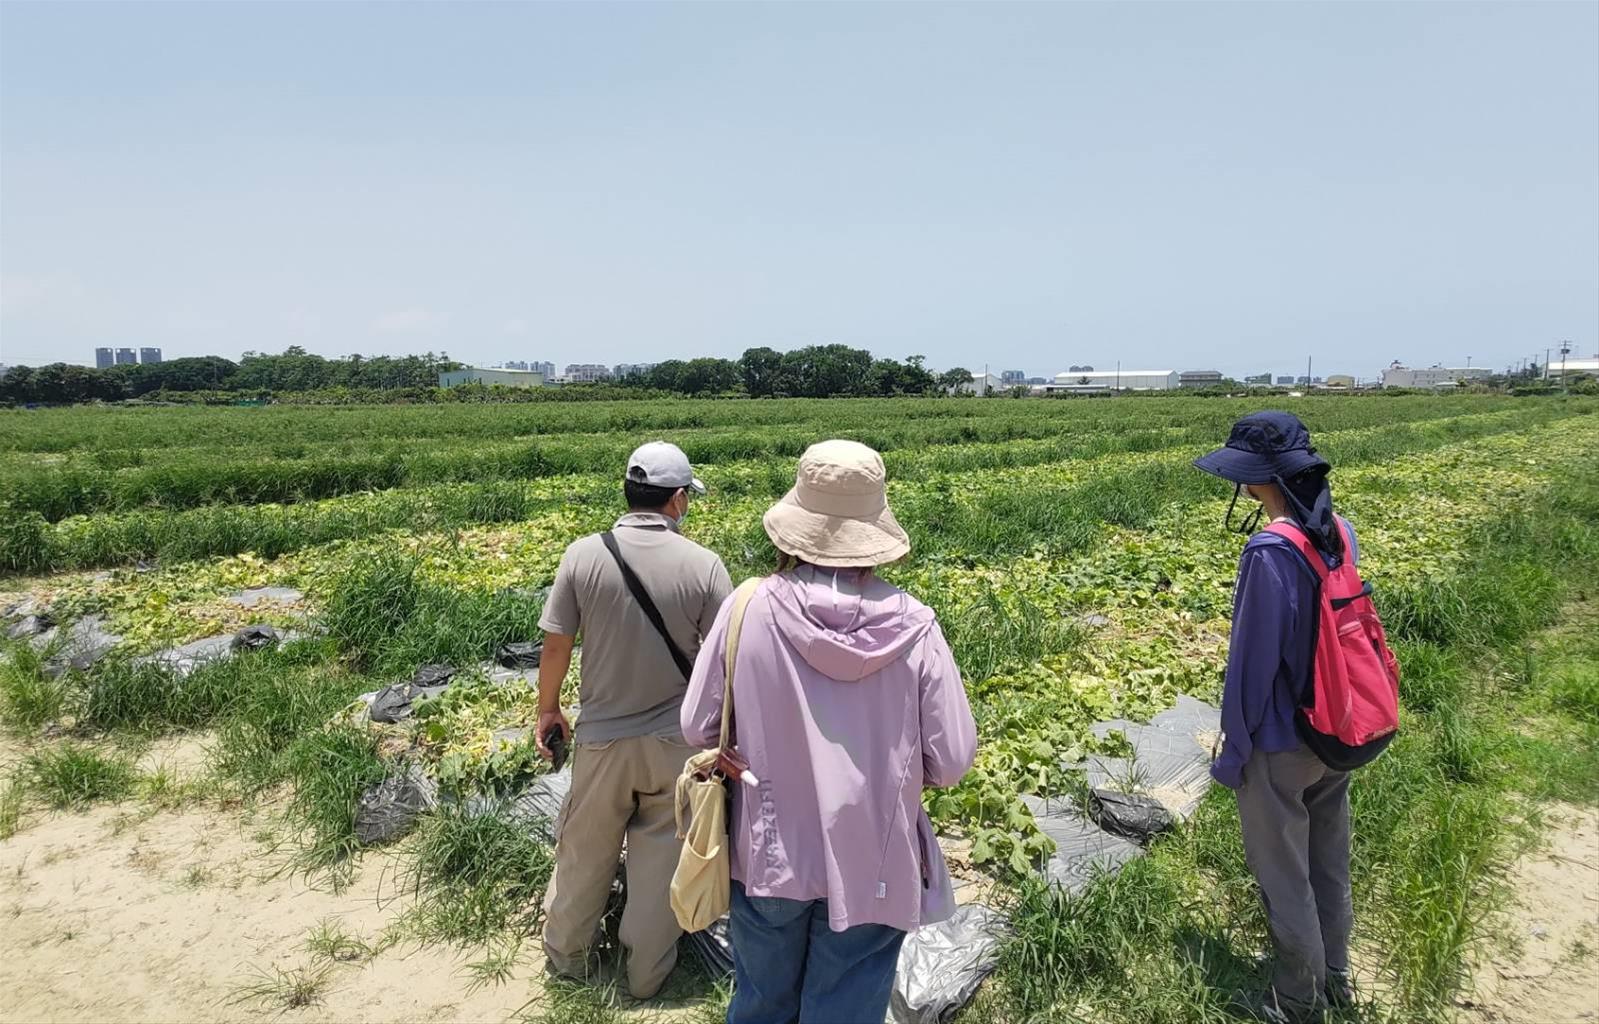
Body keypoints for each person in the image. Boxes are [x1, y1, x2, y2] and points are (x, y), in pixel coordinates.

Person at [681, 439, 978, 1024]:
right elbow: (952, 761)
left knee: (762, 1001)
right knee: (844, 1008)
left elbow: (697, 725)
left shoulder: (748, 607)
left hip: (767, 851)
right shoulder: (915, 627)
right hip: (877, 857)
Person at [536, 441, 734, 1000]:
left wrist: (549, 709)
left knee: (584, 854)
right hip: (676, 744)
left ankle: (569, 965)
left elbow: (556, 646)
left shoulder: (583, 555)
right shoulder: (704, 565)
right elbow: (726, 661)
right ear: (677, 499)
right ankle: (646, 977)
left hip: (602, 739)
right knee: (660, 863)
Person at [1193, 412, 1361, 1024]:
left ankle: (1296, 1002)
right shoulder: (1337, 530)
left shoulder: (1269, 550)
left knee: (1284, 873)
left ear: (1256, 481)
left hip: (1280, 740)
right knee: (1327, 858)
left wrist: (1234, 752)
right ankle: (1337, 977)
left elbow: (1251, 668)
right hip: (1335, 725)